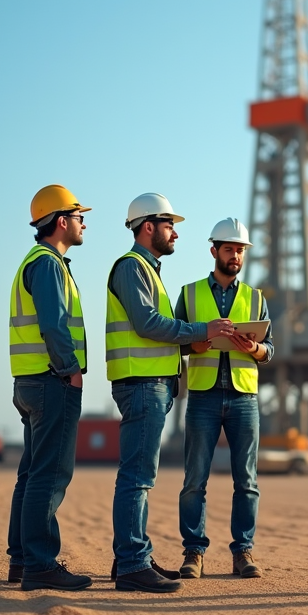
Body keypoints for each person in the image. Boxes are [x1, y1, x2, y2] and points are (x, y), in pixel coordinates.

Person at [107, 193, 235, 593]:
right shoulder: (132, 268)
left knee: (141, 475)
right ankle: (131, 564)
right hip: (142, 384)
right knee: (138, 477)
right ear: (148, 227)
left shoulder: (149, 270)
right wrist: (202, 331)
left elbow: (158, 331)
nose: (175, 232)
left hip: (153, 383)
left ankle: (131, 558)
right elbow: (147, 324)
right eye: (169, 225)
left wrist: (187, 344)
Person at [175, 218, 273, 580]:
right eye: (229, 249)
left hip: (244, 397)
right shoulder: (188, 294)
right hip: (202, 395)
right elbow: (174, 339)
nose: (235, 255)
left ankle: (243, 553)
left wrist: (256, 348)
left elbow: (270, 349)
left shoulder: (256, 298)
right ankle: (193, 553)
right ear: (214, 250)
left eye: (240, 250)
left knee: (246, 481)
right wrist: (193, 343)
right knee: (194, 480)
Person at [7, 184, 93, 591]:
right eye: (79, 217)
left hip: (30, 380)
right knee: (50, 474)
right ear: (62, 222)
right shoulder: (48, 264)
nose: (83, 223)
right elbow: (54, 323)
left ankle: (23, 560)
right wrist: (70, 369)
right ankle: (41, 563)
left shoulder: (37, 261)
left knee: (30, 474)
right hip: (51, 379)